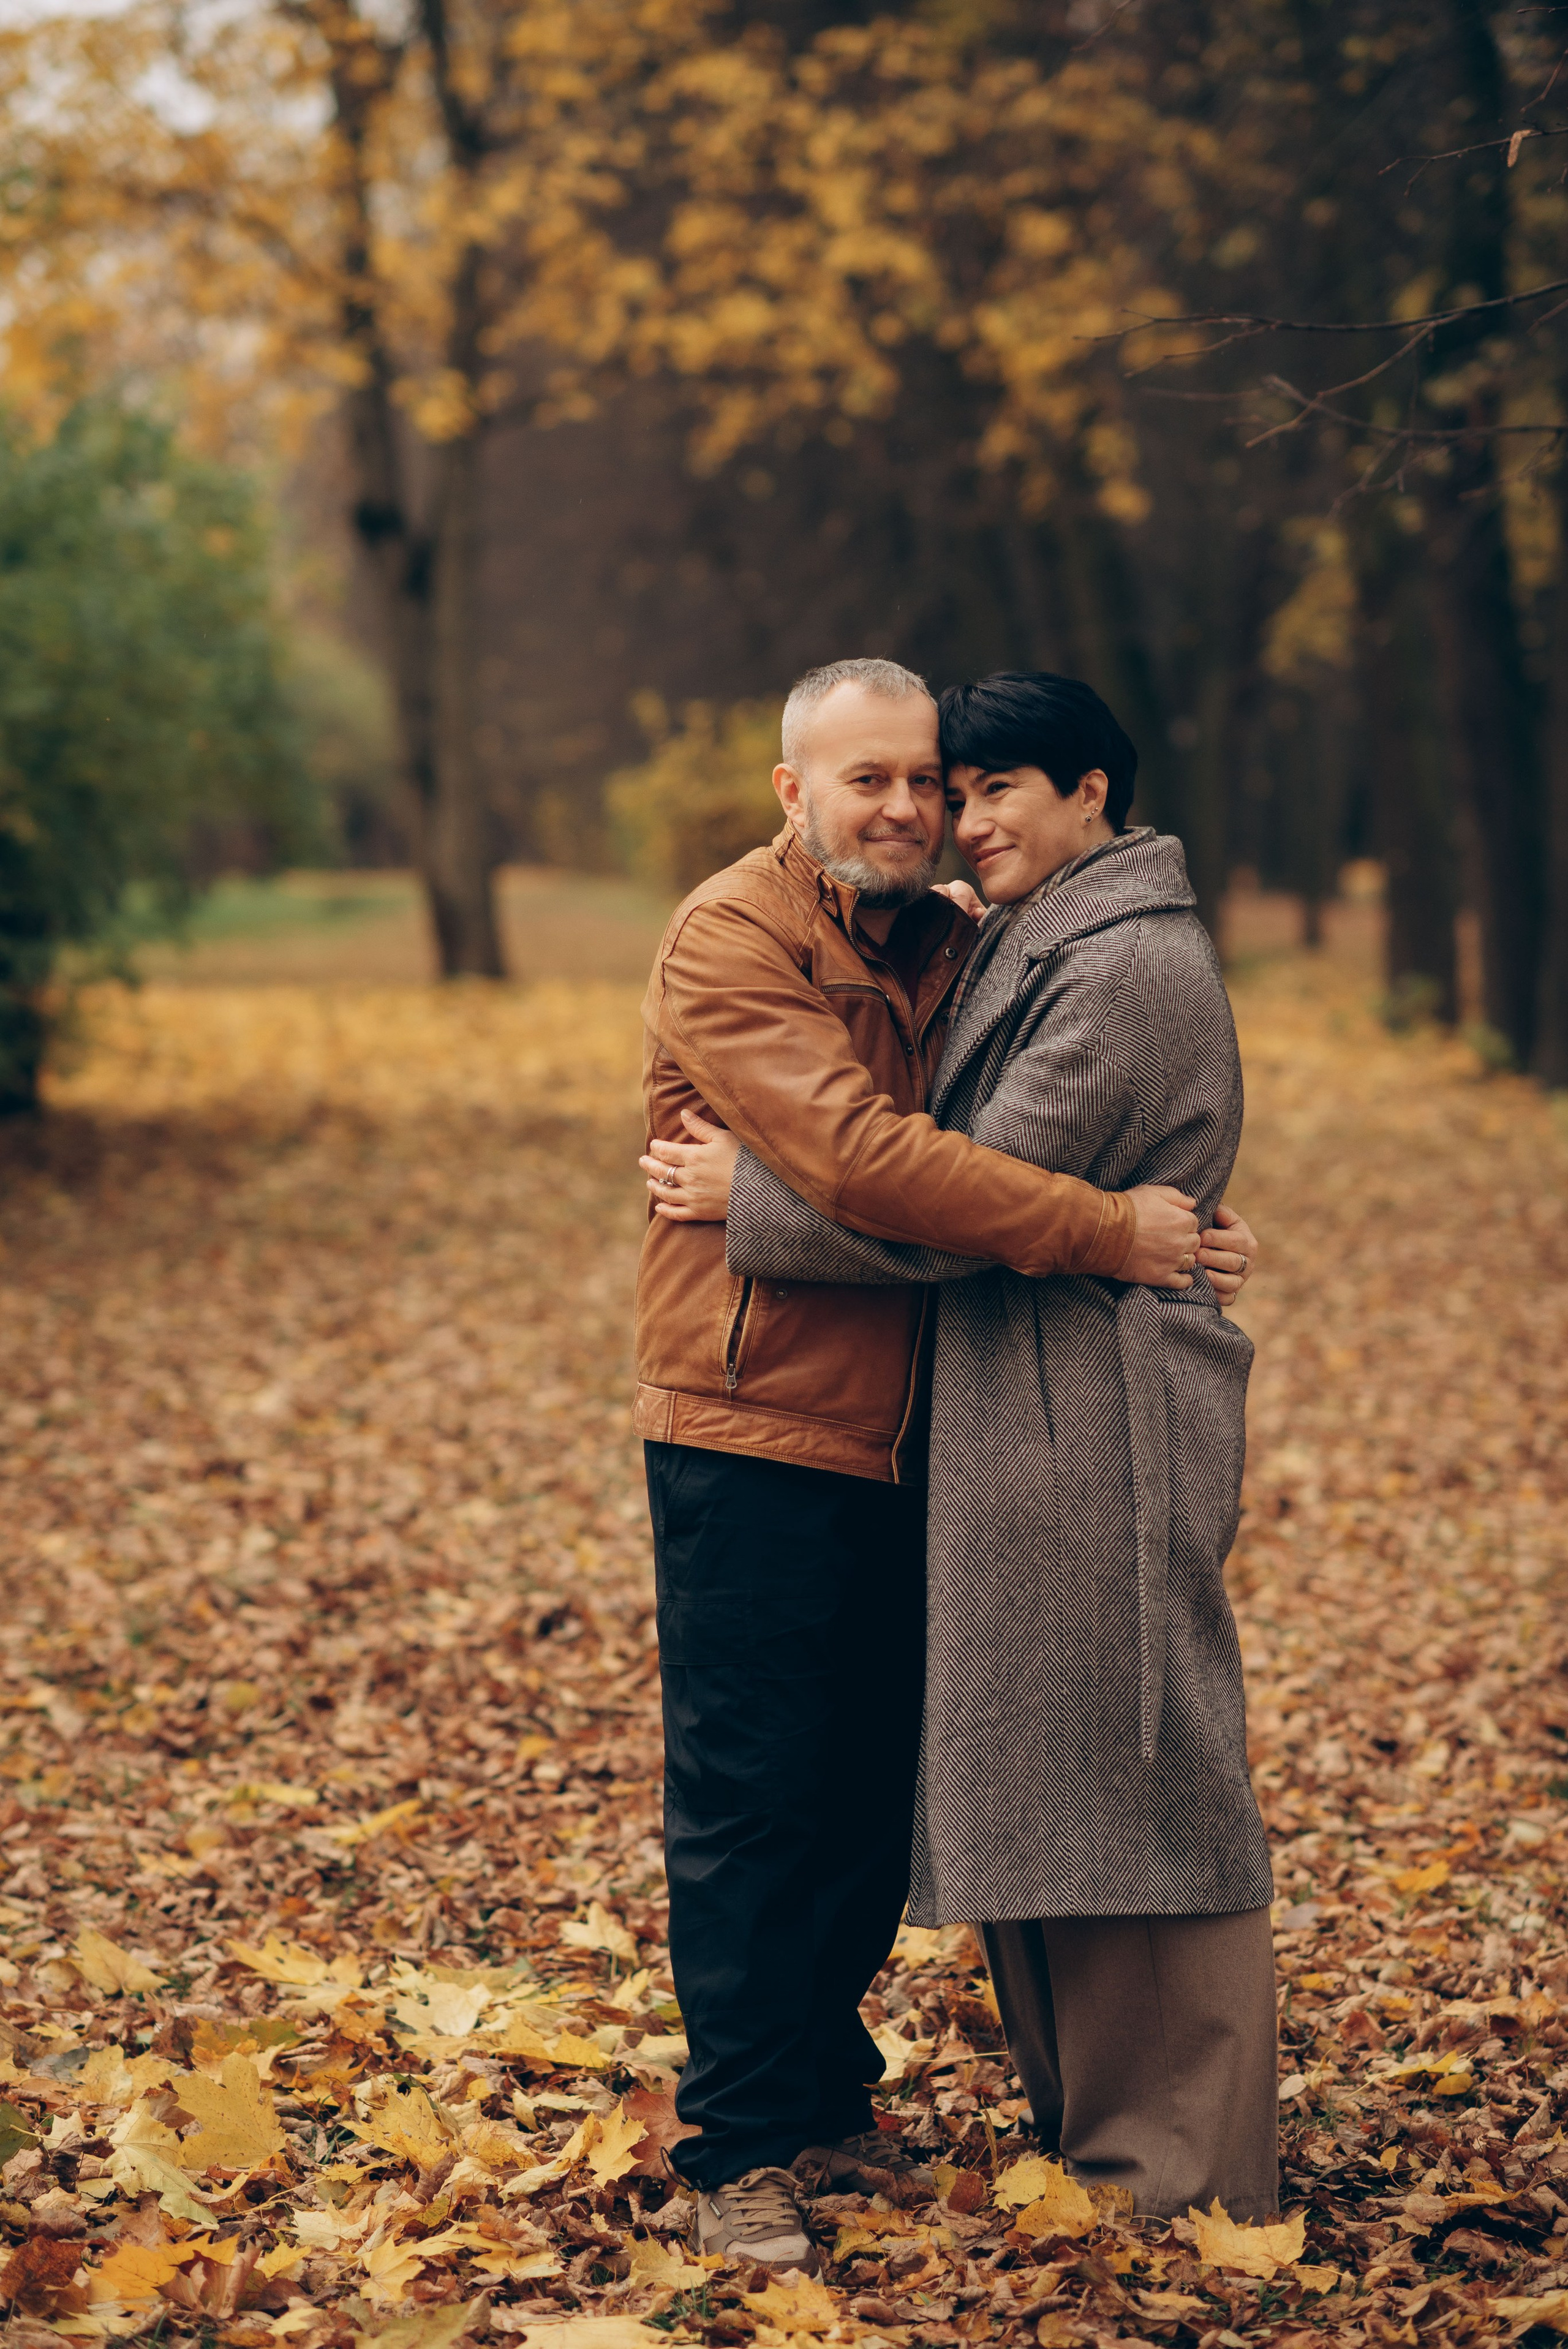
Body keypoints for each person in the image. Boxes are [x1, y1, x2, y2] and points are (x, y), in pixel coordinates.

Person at [631, 657, 1256, 2270]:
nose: (917, 808)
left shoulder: (956, 936)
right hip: (759, 1412)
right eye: (877, 783)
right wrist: (1110, 1230)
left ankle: (824, 2090)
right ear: (796, 795)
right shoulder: (735, 937)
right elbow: (868, 1161)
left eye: (940, 780)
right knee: (757, 1796)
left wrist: (1168, 1212)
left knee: (860, 1793)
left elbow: (1021, 1137)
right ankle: (738, 2142)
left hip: (927, 1422)